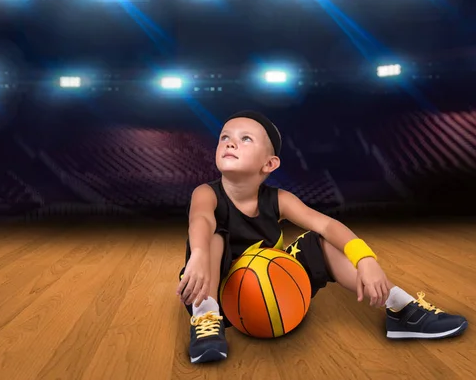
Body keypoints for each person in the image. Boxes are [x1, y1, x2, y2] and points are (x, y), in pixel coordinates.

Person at [175, 110, 468, 364]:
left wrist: (365, 258)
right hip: (219, 288)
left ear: (270, 164)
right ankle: (206, 319)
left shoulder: (279, 199)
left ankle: (400, 308)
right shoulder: (206, 192)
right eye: (225, 137)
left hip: (272, 287)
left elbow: (327, 225)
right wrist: (198, 255)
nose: (230, 142)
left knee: (322, 240)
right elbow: (200, 219)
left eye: (245, 138)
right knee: (212, 237)